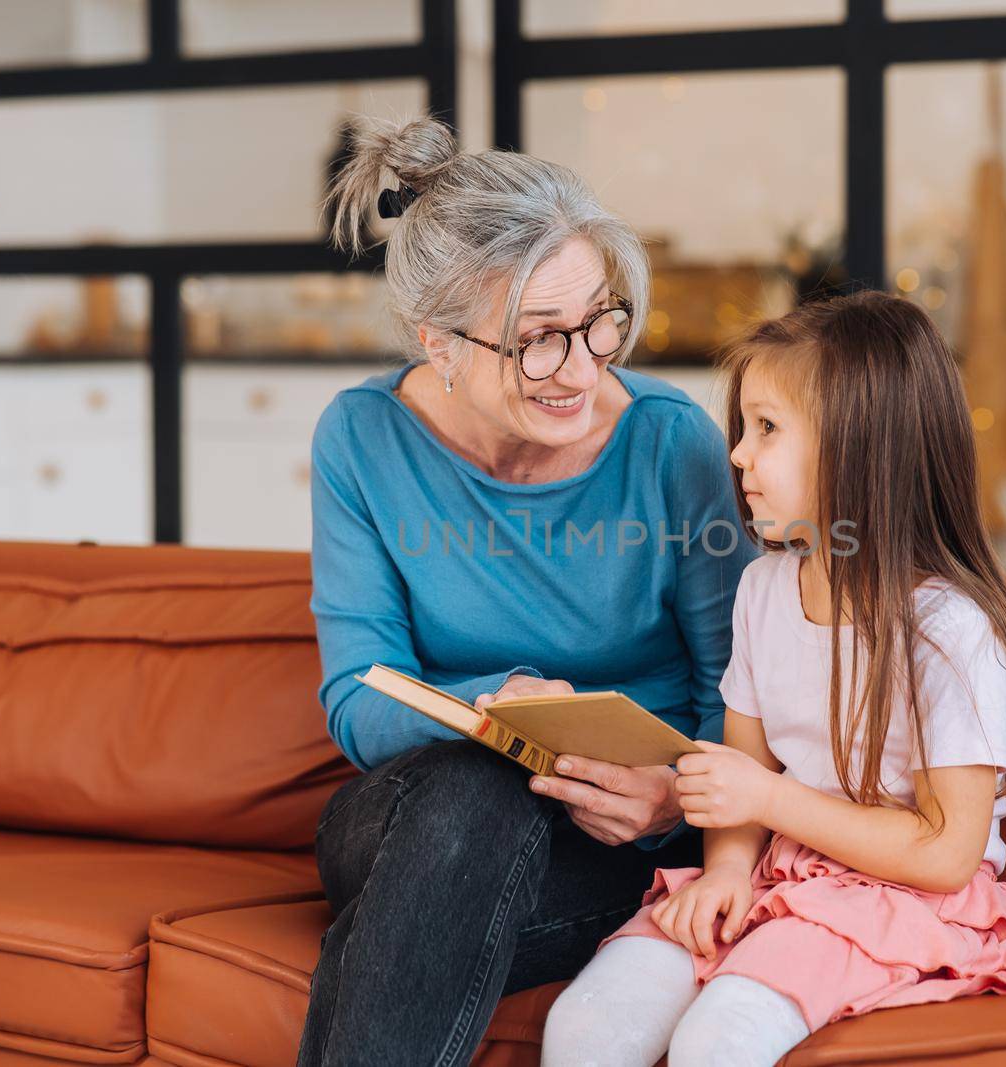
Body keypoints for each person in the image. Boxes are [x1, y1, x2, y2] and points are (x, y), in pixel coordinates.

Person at [296, 114, 759, 1067]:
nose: (583, 369)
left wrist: (675, 795)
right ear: (441, 344)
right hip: (403, 816)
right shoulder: (362, 440)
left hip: (615, 841)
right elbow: (356, 695)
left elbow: (738, 688)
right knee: (478, 788)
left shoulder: (670, 444)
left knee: (424, 907)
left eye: (600, 321)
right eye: (539, 340)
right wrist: (498, 711)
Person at [541, 290, 1006, 1067]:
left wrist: (768, 802)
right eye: (744, 427)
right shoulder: (765, 590)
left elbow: (945, 853)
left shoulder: (951, 630)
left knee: (718, 1040)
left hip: (904, 898)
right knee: (585, 1024)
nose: (737, 454)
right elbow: (740, 775)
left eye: (767, 428)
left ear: (860, 448)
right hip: (777, 874)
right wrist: (727, 869)